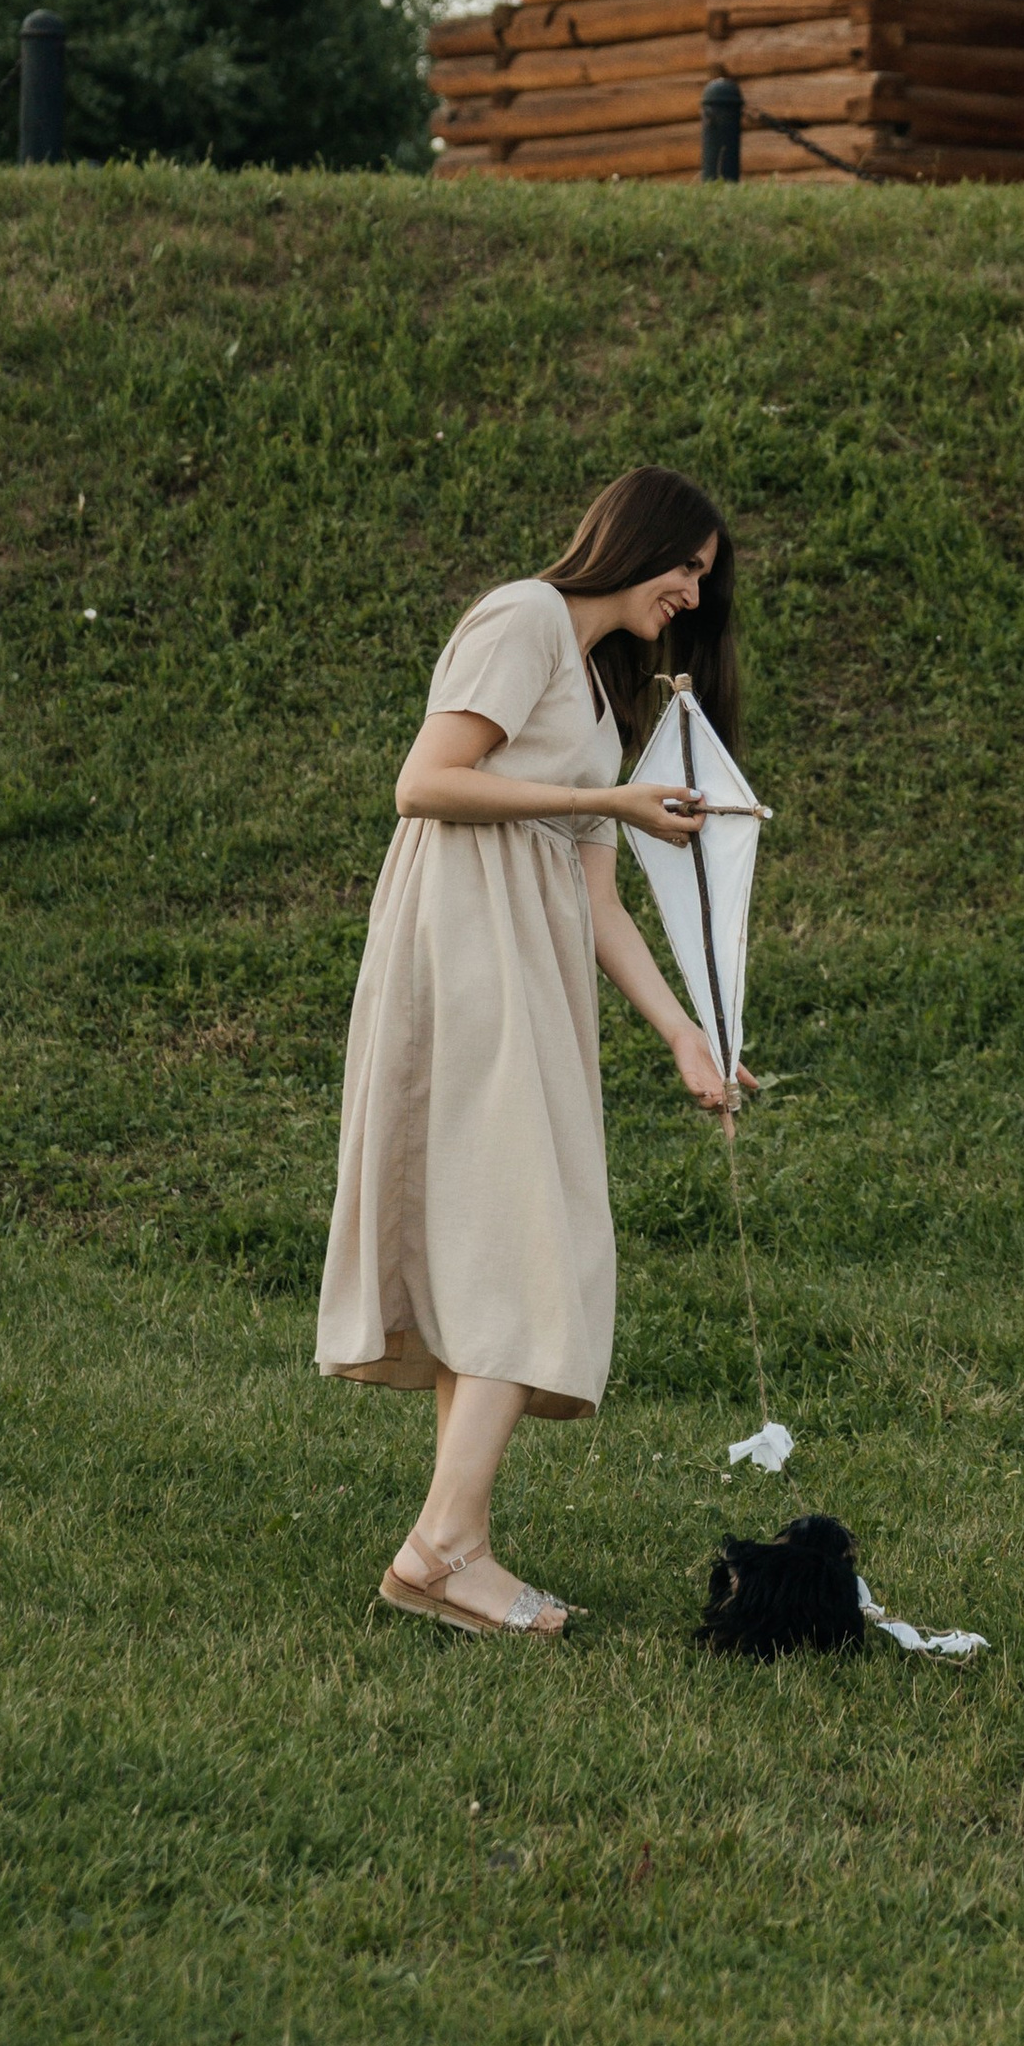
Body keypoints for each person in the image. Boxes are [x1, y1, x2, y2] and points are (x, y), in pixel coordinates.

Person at [318, 466, 752, 1639]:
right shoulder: (520, 618)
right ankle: (441, 1547)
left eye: (705, 583)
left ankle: (457, 1543)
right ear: (638, 542)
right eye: (688, 569)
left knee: (498, 1242)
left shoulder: (599, 699)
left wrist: (682, 1035)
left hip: (527, 968)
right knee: (526, 1238)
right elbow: (424, 782)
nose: (693, 597)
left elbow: (599, 899)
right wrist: (610, 804)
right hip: (465, 954)